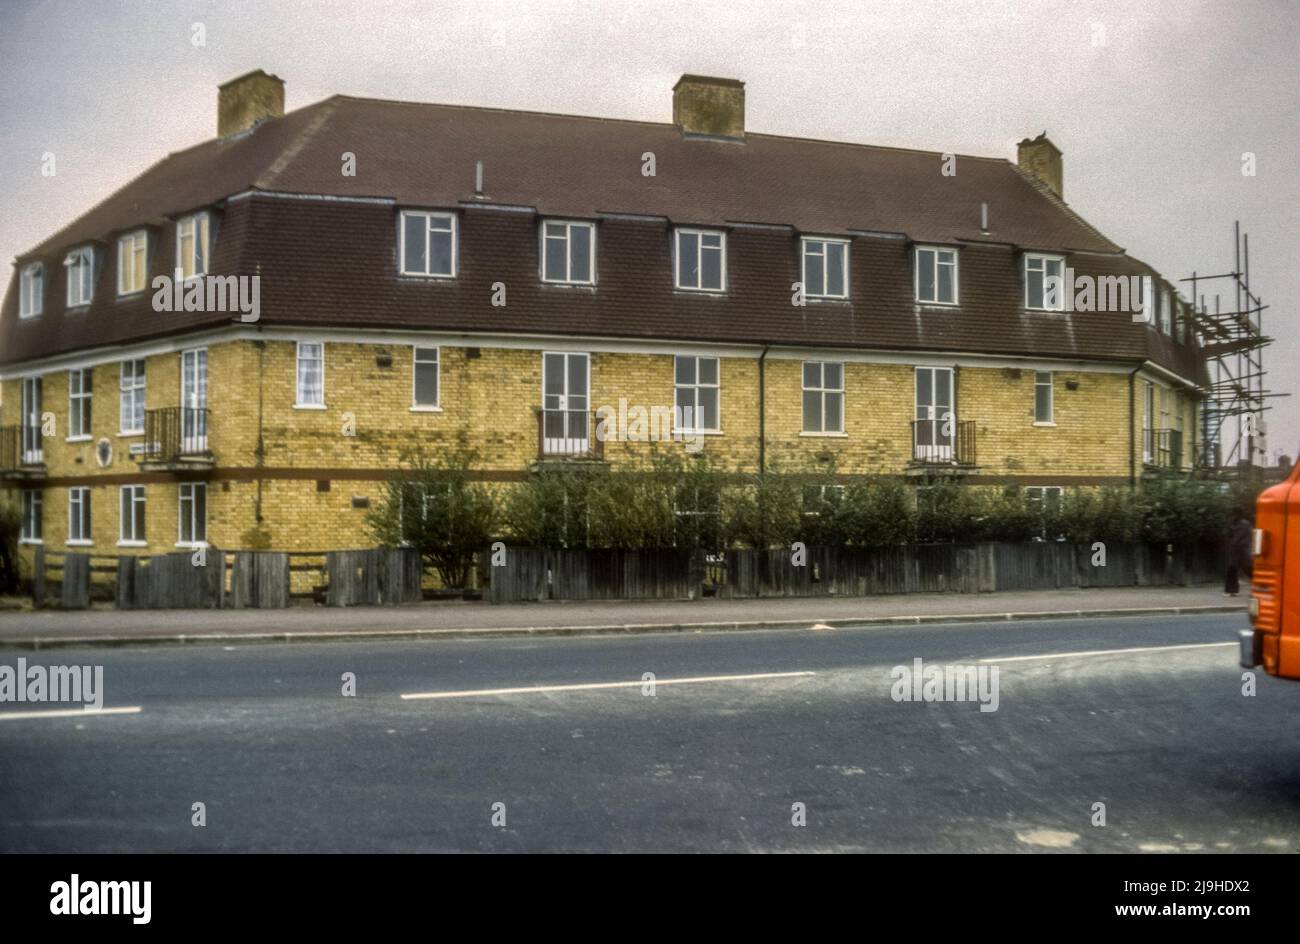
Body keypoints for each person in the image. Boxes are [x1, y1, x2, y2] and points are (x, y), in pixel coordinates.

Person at [1225, 509, 1253, 596]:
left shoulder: (1243, 524)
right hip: (1238, 549)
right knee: (1233, 569)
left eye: (1234, 515)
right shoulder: (1238, 524)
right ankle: (1231, 591)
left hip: (1241, 549)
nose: (1232, 517)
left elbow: (1236, 538)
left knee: (1248, 569)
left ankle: (1232, 590)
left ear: (1238, 515)